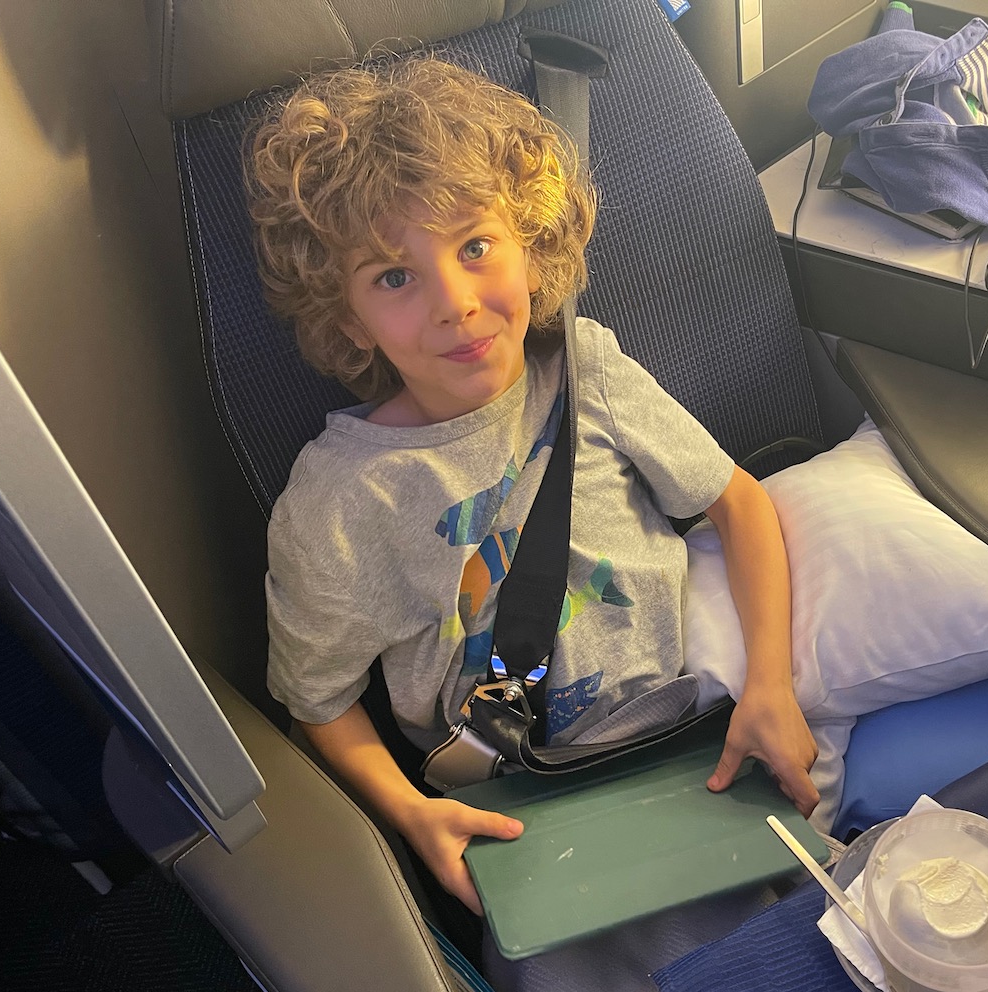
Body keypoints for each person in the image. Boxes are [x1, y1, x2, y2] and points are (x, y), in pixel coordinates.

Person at [246, 55, 818, 916]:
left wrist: (771, 684)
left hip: (698, 744)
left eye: (476, 246)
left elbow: (737, 502)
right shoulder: (337, 504)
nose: (456, 302)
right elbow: (316, 704)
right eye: (394, 277)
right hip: (526, 808)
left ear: (531, 240)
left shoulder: (585, 370)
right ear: (344, 313)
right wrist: (412, 814)